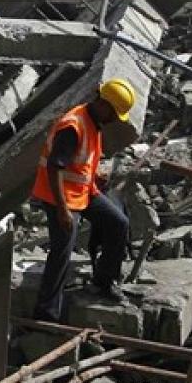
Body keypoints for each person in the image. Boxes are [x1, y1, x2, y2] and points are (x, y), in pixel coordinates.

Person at [31, 79, 136, 322]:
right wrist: (63, 211)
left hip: (83, 193)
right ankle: (46, 313)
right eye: (114, 113)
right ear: (104, 104)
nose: (114, 119)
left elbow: (78, 162)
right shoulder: (73, 125)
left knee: (118, 223)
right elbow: (54, 167)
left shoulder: (93, 122)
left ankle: (103, 282)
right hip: (60, 198)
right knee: (62, 251)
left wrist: (94, 176)